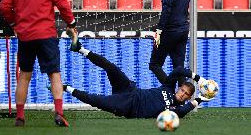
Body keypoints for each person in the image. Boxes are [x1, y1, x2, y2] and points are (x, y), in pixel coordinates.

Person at [0, 0, 76, 127]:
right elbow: (63, 5)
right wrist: (71, 23)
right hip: (46, 35)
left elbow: (4, 7)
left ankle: (19, 117)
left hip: (25, 36)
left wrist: (14, 25)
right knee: (54, 75)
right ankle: (59, 113)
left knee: (24, 75)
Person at [58, 39, 212, 119]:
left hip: (129, 107)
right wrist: (199, 79)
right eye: (183, 90)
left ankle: (65, 88)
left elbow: (184, 111)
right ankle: (80, 49)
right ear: (179, 88)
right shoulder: (169, 87)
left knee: (97, 100)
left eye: (186, 94)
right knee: (111, 68)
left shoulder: (176, 110)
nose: (182, 93)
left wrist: (200, 99)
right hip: (130, 89)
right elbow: (178, 70)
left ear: (188, 97)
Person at [149, 0, 191, 87]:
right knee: (178, 67)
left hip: (170, 30)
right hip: (183, 30)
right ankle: (182, 98)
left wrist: (159, 30)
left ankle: (170, 90)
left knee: (154, 64)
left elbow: (167, 9)